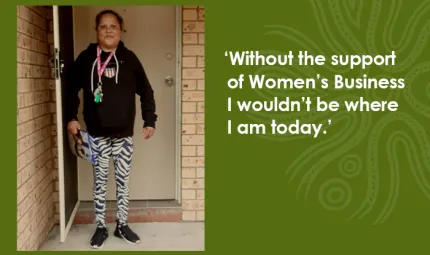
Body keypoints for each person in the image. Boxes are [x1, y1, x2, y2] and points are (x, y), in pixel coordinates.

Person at [64, 9, 157, 249]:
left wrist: (149, 121)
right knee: (100, 182)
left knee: (123, 181)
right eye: (103, 26)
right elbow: (70, 89)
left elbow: (146, 92)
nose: (108, 30)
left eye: (113, 26)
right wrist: (71, 117)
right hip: (96, 135)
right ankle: (101, 227)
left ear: (120, 30)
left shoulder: (130, 59)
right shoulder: (86, 59)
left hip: (124, 136)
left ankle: (122, 225)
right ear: (97, 31)